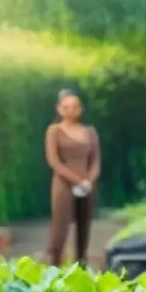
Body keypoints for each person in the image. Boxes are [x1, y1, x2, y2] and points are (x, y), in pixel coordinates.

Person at [44, 89, 101, 266]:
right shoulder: (54, 131)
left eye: (75, 106)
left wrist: (89, 181)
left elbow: (96, 161)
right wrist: (78, 181)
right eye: (67, 107)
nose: (71, 110)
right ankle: (54, 268)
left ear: (80, 109)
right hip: (63, 184)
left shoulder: (90, 132)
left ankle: (81, 267)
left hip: (87, 185)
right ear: (59, 109)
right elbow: (54, 161)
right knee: (60, 229)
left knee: (84, 229)